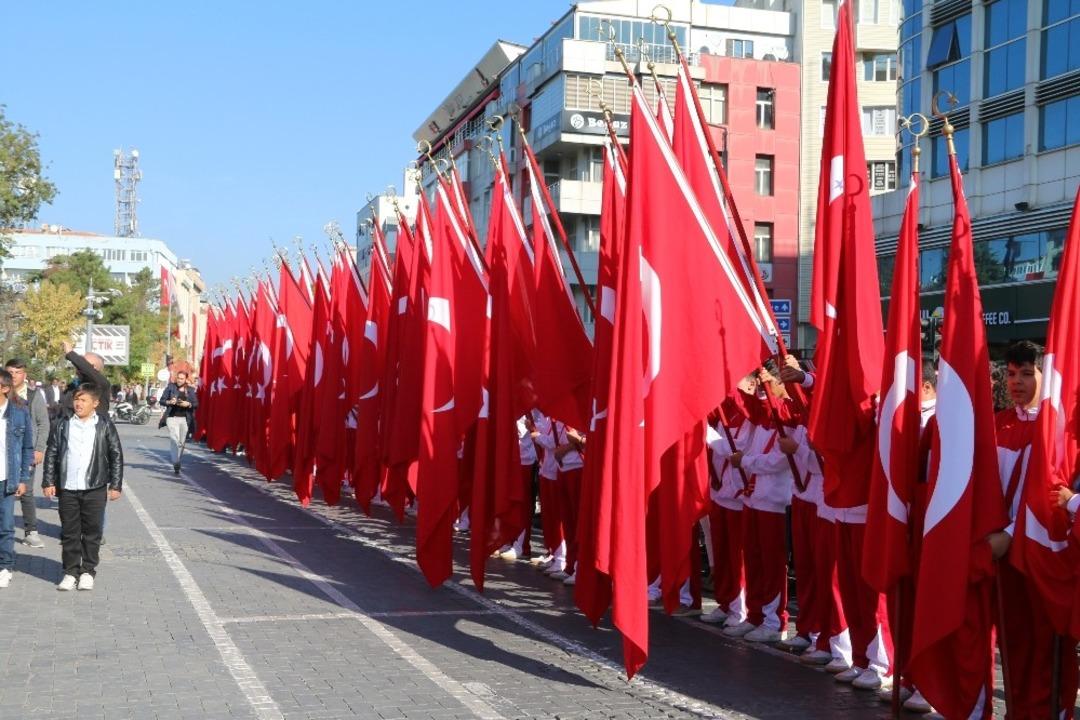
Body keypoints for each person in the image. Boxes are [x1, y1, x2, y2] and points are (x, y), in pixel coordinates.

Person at [991, 341, 1078, 718]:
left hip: (1039, 550)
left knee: (1046, 640)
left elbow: (1049, 492)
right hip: (1001, 551)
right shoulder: (997, 424)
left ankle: (1049, 709)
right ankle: (1019, 709)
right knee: (1014, 640)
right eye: (1011, 374)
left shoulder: (1055, 432)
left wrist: (1013, 532)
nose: (1017, 382)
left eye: (1027, 373)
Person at [42, 383, 123, 591]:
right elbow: (52, 452)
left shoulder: (104, 425)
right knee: (69, 532)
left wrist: (116, 485)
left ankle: (87, 571)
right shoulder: (63, 423)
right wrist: (48, 481)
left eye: (83, 400)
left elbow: (116, 455)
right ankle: (70, 572)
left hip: (95, 486)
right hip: (68, 486)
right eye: (77, 399)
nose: (78, 404)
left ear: (95, 403)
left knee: (92, 532)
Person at [4, 359, 49, 548]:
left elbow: (43, 423)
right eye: (10, 372)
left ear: (24, 374)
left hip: (24, 452)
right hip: (3, 450)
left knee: (26, 491)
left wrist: (39, 448)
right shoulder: (1, 393)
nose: (14, 376)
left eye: (17, 372)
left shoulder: (34, 395)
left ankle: (31, 531)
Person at [0, 369, 37, 589]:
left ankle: (5, 566)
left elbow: (27, 448)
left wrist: (23, 478)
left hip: (7, 479)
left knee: (5, 526)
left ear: (5, 388)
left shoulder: (19, 412)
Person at [159, 371, 197, 474]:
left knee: (181, 442)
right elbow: (162, 400)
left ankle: (178, 461)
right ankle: (175, 462)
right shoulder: (171, 387)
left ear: (185, 379)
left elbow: (195, 404)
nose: (179, 380)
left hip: (184, 419)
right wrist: (169, 402)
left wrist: (188, 404)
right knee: (174, 439)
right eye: (178, 378)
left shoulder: (190, 390)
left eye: (182, 379)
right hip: (172, 417)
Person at [59, 341, 111, 418]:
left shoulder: (101, 383)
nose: (78, 367)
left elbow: (86, 369)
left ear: (94, 367)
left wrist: (70, 353)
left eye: (83, 362)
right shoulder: (73, 386)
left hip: (95, 428)